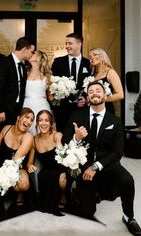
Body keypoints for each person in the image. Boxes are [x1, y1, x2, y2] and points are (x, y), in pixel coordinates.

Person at [62, 81, 141, 236]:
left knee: (127, 180)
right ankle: (86, 194)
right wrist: (76, 138)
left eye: (98, 90)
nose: (95, 93)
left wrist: (96, 166)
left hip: (106, 164)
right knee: (86, 212)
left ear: (105, 95)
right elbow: (65, 140)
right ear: (87, 96)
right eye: (91, 91)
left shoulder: (115, 121)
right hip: (84, 167)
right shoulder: (77, 115)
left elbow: (117, 152)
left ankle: (129, 217)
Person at [0, 107, 34, 219]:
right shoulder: (6, 128)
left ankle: (18, 194)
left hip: (16, 168)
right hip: (0, 165)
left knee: (23, 183)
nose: (29, 122)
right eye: (27, 117)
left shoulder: (28, 136)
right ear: (18, 117)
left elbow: (16, 159)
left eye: (31, 120)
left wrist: (1, 177)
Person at [27, 110, 67, 216]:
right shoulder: (34, 140)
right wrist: (30, 166)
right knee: (42, 175)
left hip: (61, 168)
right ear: (37, 123)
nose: (43, 123)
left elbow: (62, 153)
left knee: (62, 179)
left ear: (51, 123)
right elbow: (29, 163)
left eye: (46, 120)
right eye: (40, 120)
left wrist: (58, 144)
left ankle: (63, 195)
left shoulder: (57, 135)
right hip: (46, 170)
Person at [51, 33, 91, 133]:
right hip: (62, 110)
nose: (67, 46)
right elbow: (52, 84)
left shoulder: (88, 63)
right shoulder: (58, 62)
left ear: (79, 44)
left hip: (82, 110)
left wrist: (86, 99)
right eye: (66, 43)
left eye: (70, 43)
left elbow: (92, 84)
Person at [0, 37, 35, 129]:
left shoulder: (23, 66)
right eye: (32, 52)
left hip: (17, 108)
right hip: (5, 109)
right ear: (24, 50)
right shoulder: (4, 62)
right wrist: (0, 110)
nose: (32, 55)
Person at [23, 50, 52, 135]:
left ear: (38, 58)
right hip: (26, 104)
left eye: (33, 53)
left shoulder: (47, 75)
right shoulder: (25, 72)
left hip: (41, 105)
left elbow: (50, 96)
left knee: (41, 129)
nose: (30, 54)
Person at [89, 48, 124, 114]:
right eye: (90, 57)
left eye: (95, 55)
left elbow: (120, 95)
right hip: (93, 110)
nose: (92, 58)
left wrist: (103, 99)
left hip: (107, 110)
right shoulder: (93, 74)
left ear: (102, 56)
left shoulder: (110, 72)